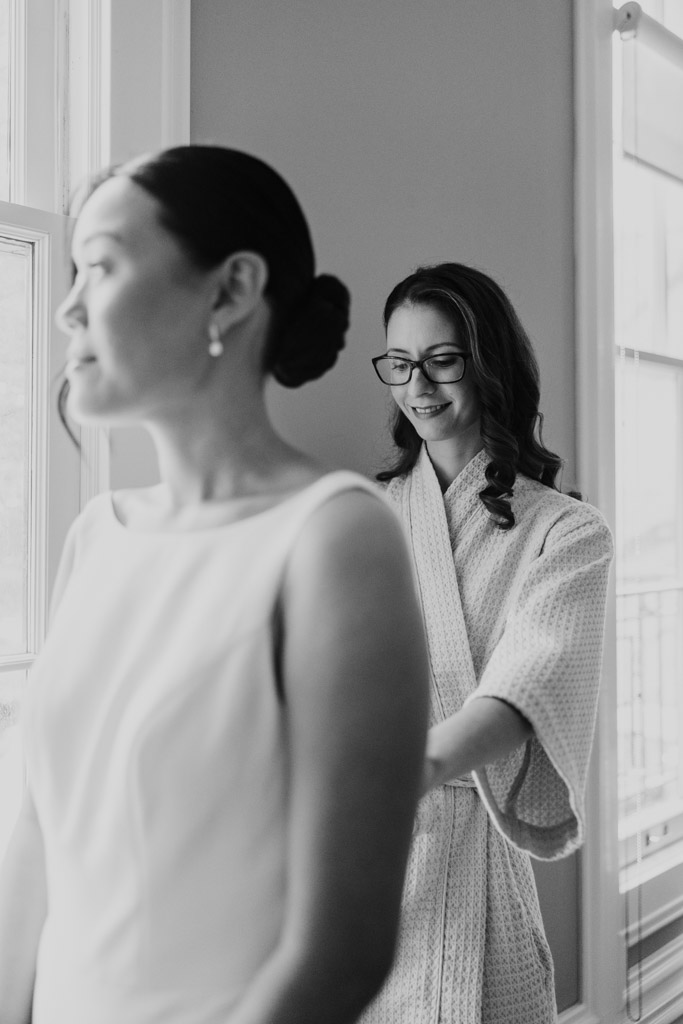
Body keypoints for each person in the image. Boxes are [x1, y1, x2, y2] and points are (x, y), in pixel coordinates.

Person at [0, 145, 430, 1024]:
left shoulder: (337, 539)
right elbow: (33, 861)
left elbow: (339, 952)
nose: (66, 307)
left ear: (230, 290)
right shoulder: (94, 539)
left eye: (101, 267)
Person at [362, 262, 614, 1024]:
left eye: (441, 360)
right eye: (399, 363)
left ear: (487, 364)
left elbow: (530, 682)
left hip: (471, 853)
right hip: (366, 856)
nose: (418, 387)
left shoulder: (567, 531)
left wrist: (412, 768)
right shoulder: (360, 515)